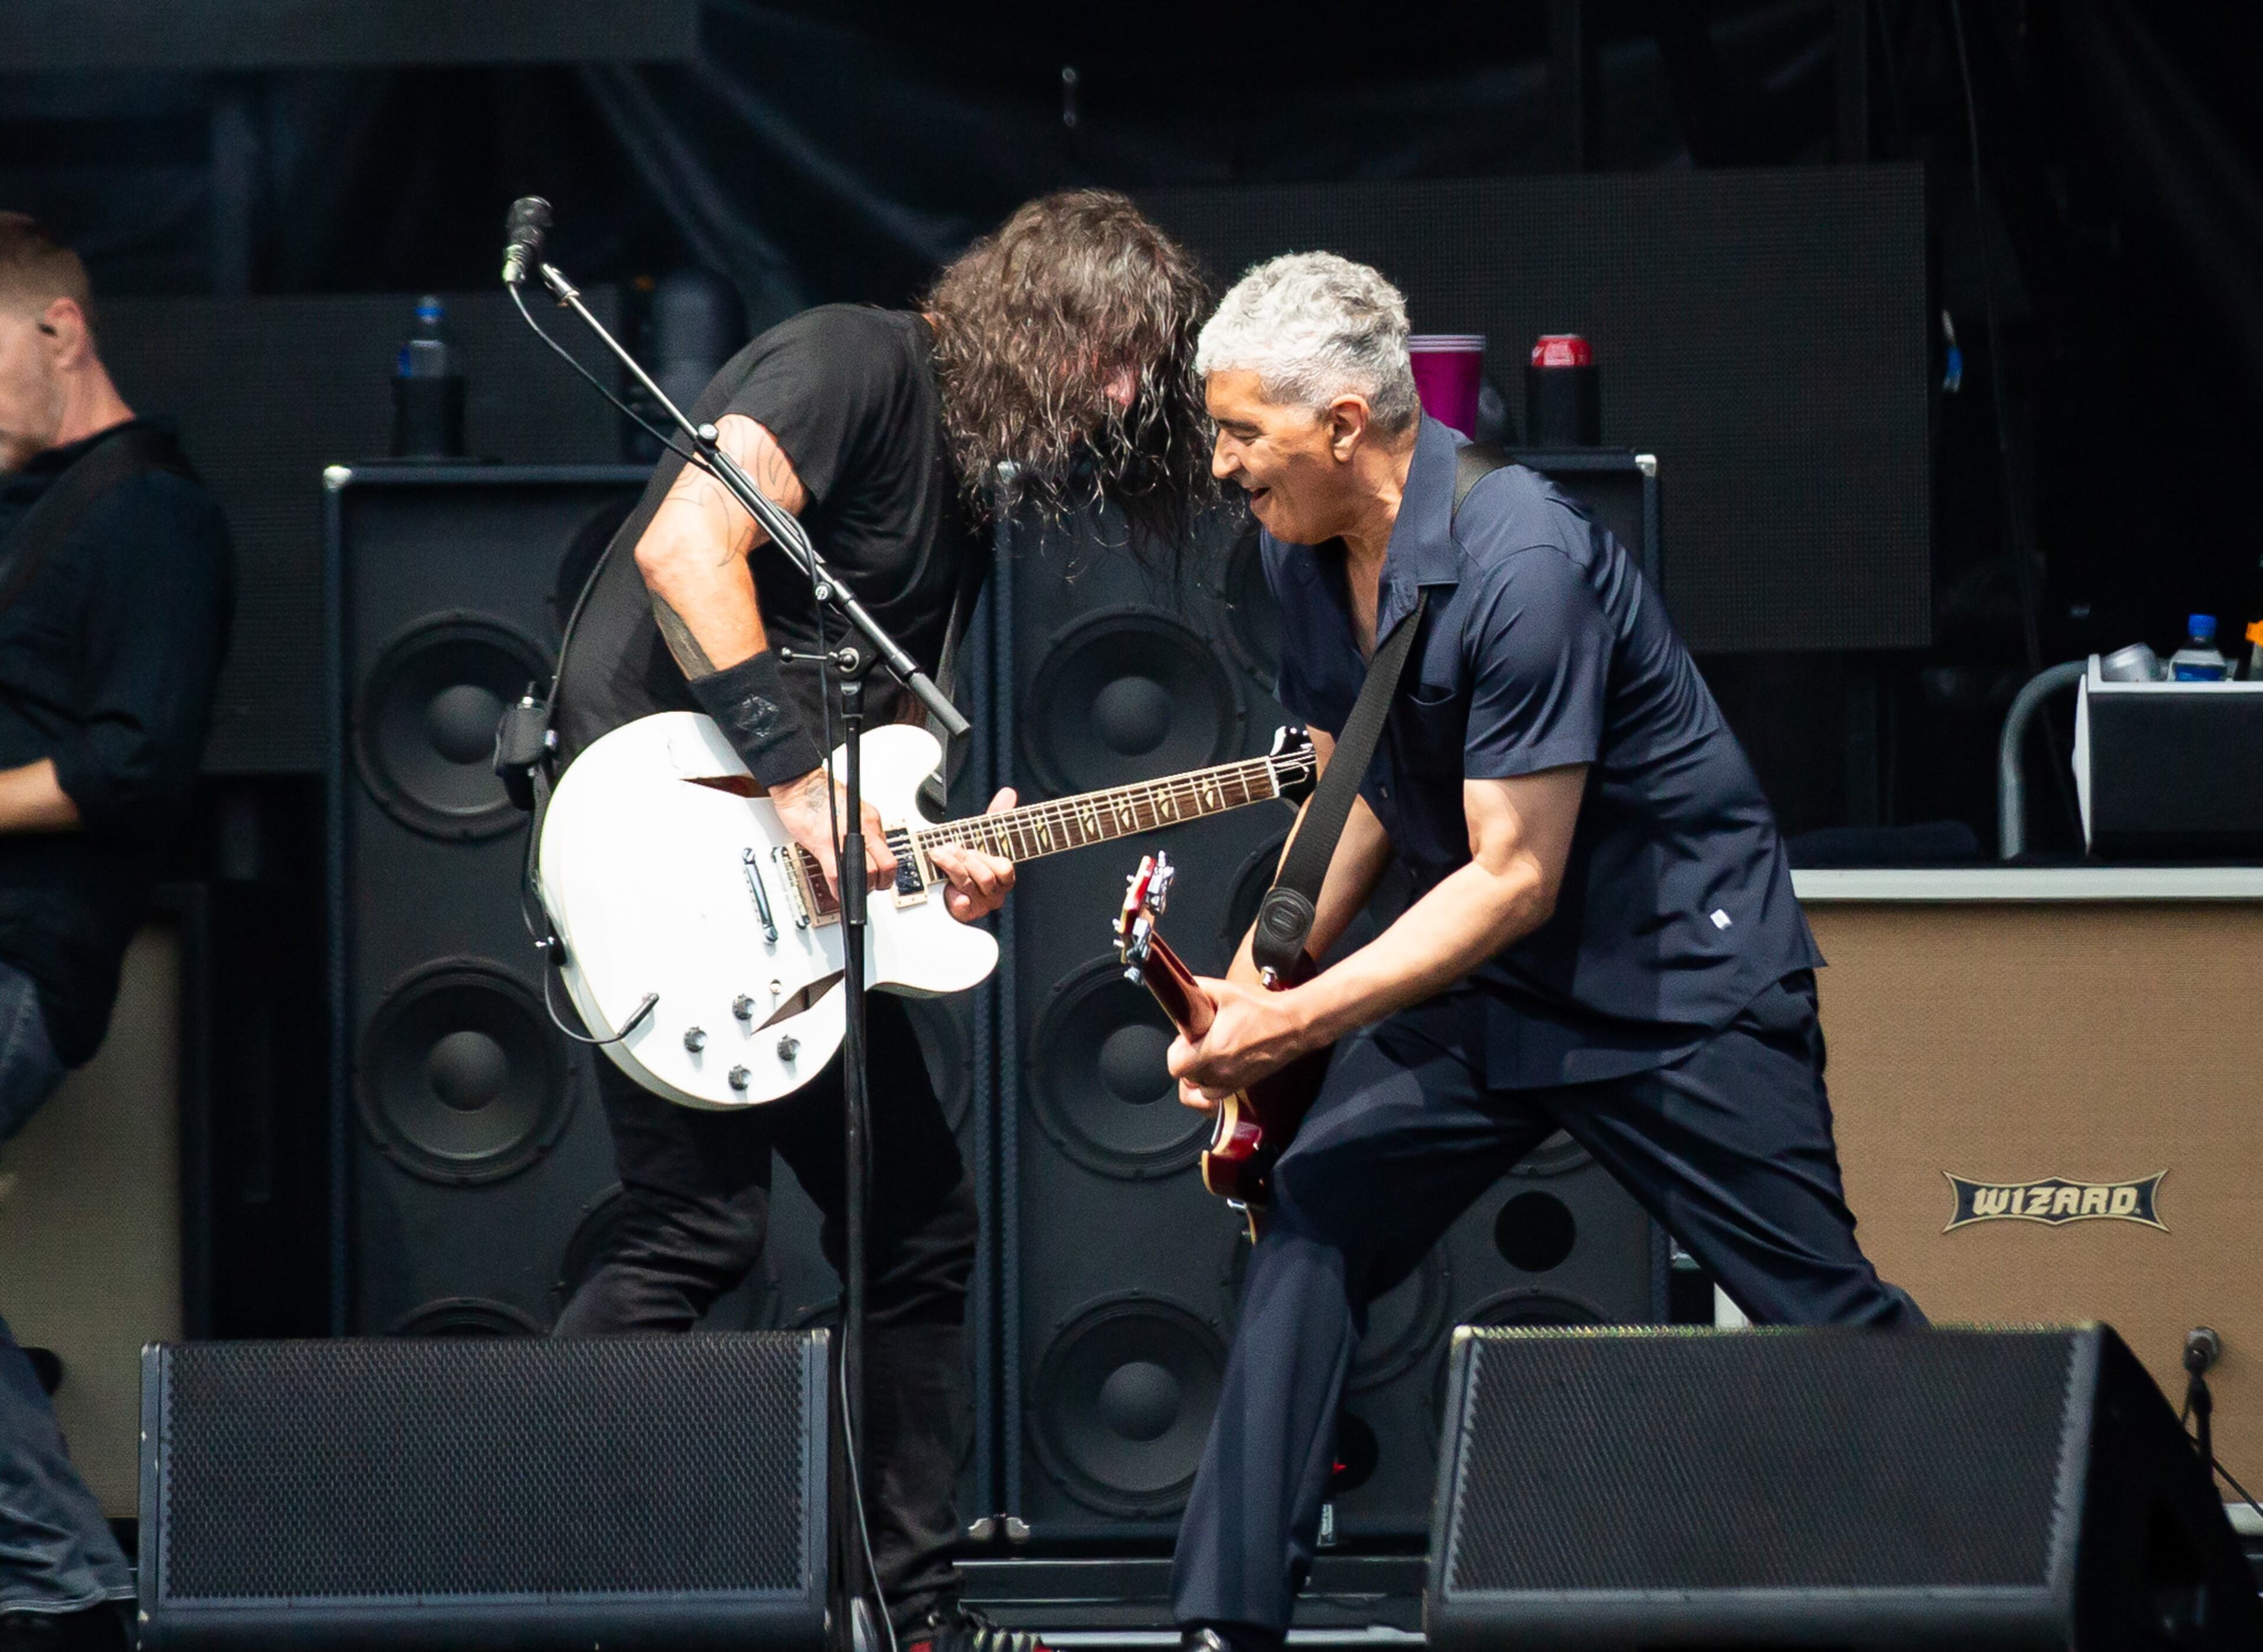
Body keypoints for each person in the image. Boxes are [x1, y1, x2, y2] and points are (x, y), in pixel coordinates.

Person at [1163, 253, 1924, 1652]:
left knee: (1819, 1311)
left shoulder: (1525, 561)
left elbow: (1516, 877)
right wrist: (1260, 987)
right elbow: (1351, 794)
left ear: (1343, 423)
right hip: (1493, 988)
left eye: (1240, 432)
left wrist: (1308, 1019)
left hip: (1666, 984)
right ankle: (1226, 1625)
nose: (1220, 464)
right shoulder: (1297, 552)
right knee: (1313, 1207)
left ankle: (2010, 1569)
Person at [548, 190, 1211, 1652]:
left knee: (912, 1226)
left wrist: (926, 855)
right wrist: (792, 785)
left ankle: (903, 1614)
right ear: (1046, 318)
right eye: (1113, 363)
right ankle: (498, 1565)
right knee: (695, 1229)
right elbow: (685, 552)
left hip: (781, 899)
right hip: (657, 852)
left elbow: (882, 737)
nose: (1119, 407)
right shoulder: (850, 366)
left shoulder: (969, 494)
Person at [0, 215, 232, 1648]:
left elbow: (127, 763)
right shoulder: (40, 513)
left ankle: (60, 1573)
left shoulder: (150, 513)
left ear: (58, 330)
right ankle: (55, 1569)